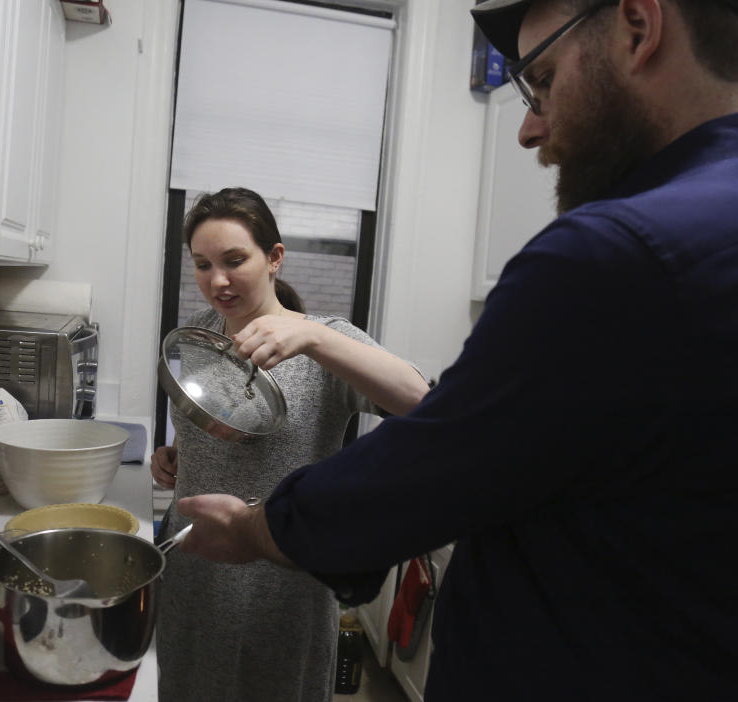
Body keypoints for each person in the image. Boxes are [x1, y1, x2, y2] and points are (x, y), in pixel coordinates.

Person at [175, 2, 738, 700]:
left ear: (637, 26)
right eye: (202, 264)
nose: (529, 127)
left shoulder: (613, 252)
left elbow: (430, 452)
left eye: (542, 79)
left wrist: (260, 527)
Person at [152, 187, 428, 702]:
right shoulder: (195, 338)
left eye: (235, 261)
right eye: (203, 264)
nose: (218, 280)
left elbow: (424, 403)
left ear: (274, 258)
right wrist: (173, 456)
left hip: (284, 584)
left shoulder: (324, 341)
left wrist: (316, 340)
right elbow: (205, 426)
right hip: (194, 574)